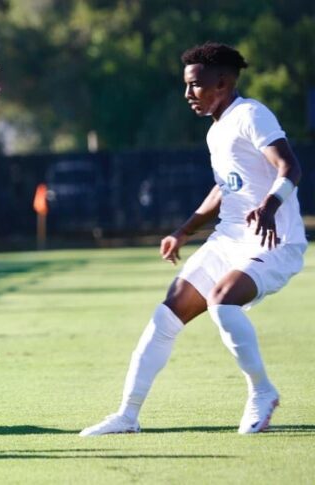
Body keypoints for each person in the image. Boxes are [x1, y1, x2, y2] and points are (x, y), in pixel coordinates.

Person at [80, 42, 306, 436]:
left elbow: (290, 167)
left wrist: (270, 206)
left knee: (222, 301)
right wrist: (183, 230)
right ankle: (127, 416)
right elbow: (225, 187)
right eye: (186, 85)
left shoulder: (251, 114)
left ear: (223, 82)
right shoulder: (216, 130)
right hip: (228, 239)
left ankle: (262, 391)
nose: (188, 93)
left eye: (195, 85)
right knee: (166, 315)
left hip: (274, 240)